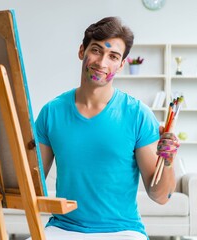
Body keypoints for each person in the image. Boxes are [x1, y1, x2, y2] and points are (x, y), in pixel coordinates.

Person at [30, 16, 179, 240]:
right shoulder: (51, 113)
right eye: (96, 50)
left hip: (123, 231)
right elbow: (30, 184)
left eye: (113, 56)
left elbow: (161, 197)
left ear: (121, 65)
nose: (101, 63)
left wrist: (167, 161)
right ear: (82, 51)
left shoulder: (138, 115)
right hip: (63, 229)